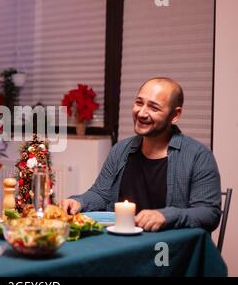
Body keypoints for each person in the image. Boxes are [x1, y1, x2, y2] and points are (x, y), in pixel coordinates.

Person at [60, 77, 221, 232]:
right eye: (139, 103)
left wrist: (166, 216)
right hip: (122, 245)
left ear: (175, 115)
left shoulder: (198, 155)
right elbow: (101, 193)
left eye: (153, 107)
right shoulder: (120, 150)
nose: (142, 113)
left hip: (169, 251)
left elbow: (209, 213)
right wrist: (78, 202)